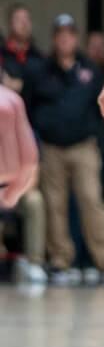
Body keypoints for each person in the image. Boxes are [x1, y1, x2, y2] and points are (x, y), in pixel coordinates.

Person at [23, 14, 104, 284]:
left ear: (75, 37)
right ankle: (60, 261)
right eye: (60, 34)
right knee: (55, 206)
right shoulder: (40, 71)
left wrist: (100, 143)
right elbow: (28, 108)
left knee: (92, 201)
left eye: (69, 33)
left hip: (84, 146)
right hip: (51, 148)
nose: (65, 38)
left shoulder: (90, 69)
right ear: (54, 38)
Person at [0, 82, 43, 282]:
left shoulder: (15, 114)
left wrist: (13, 193)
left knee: (35, 201)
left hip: (15, 187)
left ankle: (34, 263)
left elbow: (31, 168)